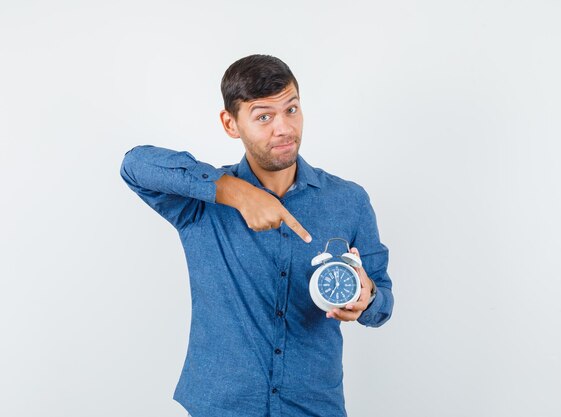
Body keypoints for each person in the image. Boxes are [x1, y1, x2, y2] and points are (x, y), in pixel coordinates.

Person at [119, 54, 394, 417]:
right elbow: (135, 165)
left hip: (313, 406)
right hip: (222, 406)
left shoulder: (348, 201)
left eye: (291, 109)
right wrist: (234, 192)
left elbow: (382, 305)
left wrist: (367, 296)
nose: (283, 128)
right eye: (264, 116)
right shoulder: (201, 204)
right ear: (230, 123)